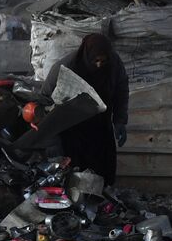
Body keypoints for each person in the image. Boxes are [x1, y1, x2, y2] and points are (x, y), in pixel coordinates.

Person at [42, 33, 130, 183]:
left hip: (100, 127)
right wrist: (52, 141)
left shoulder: (114, 64)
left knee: (103, 172)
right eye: (95, 60)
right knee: (75, 175)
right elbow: (44, 103)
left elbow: (121, 91)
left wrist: (120, 121)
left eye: (103, 61)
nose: (99, 65)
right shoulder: (67, 67)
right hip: (72, 129)